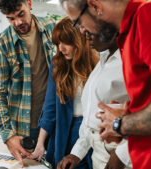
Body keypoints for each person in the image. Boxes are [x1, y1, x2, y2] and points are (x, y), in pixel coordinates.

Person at [60, 0, 151, 169]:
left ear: (95, 5)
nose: (82, 31)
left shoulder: (150, 14)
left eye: (79, 23)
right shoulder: (126, 36)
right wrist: (131, 112)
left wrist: (120, 124)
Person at [57, 22, 131, 169]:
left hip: (119, 154)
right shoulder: (102, 62)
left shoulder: (129, 61)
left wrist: (122, 154)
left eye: (85, 24)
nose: (82, 31)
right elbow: (90, 117)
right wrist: (76, 153)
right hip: (99, 152)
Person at [0, 0, 55, 167]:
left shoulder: (51, 28)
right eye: (11, 18)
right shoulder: (2, 44)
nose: (18, 22)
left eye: (21, 14)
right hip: (26, 128)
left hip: (54, 121)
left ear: (29, 4)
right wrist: (8, 136)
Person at [28, 17, 99, 169]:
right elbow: (50, 108)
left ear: (79, 40)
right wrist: (40, 144)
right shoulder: (58, 65)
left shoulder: (98, 64)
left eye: (66, 42)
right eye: (58, 43)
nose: (61, 48)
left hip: (91, 129)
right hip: (65, 128)